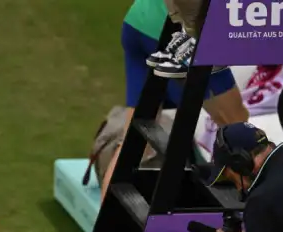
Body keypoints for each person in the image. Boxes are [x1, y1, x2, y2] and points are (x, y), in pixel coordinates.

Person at [100, 0, 249, 202]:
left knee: (134, 144)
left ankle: (107, 227)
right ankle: (260, 223)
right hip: (182, 32)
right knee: (240, 130)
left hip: (138, 20)